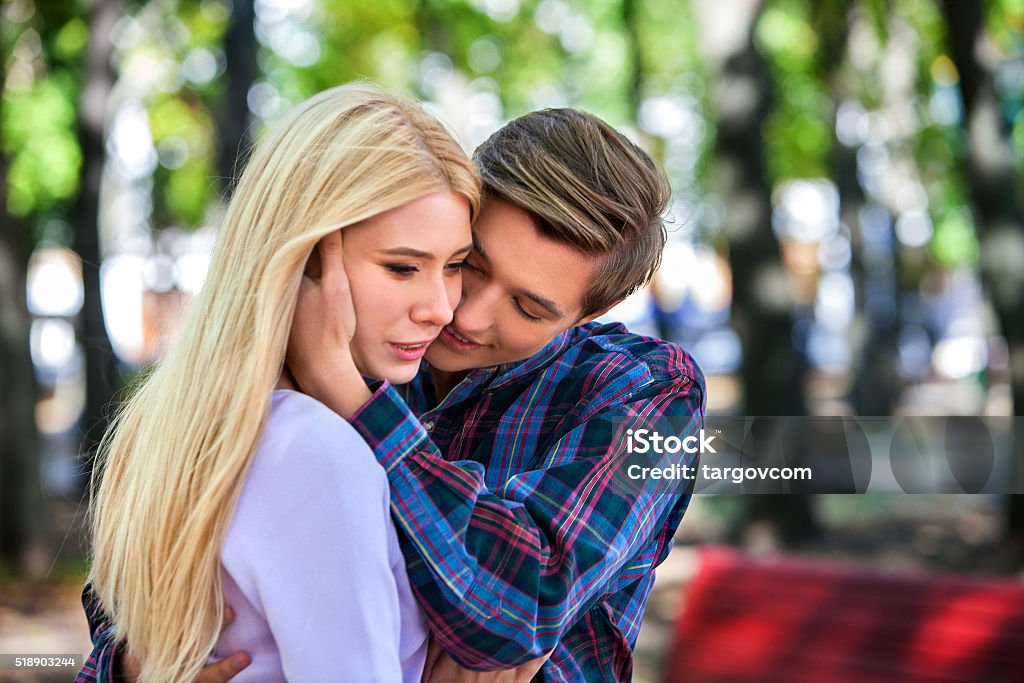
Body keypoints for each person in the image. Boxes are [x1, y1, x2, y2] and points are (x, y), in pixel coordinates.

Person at [84, 108, 706, 682]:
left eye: (527, 307)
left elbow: (520, 608)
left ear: (586, 314)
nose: (460, 313)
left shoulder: (646, 393)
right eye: (470, 264)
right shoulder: (352, 341)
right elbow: (145, 586)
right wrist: (140, 665)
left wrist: (356, 406)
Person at [79, 83, 479, 682]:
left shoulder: (169, 422)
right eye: (403, 267)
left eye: (454, 267)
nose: (441, 307)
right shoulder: (316, 450)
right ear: (304, 259)